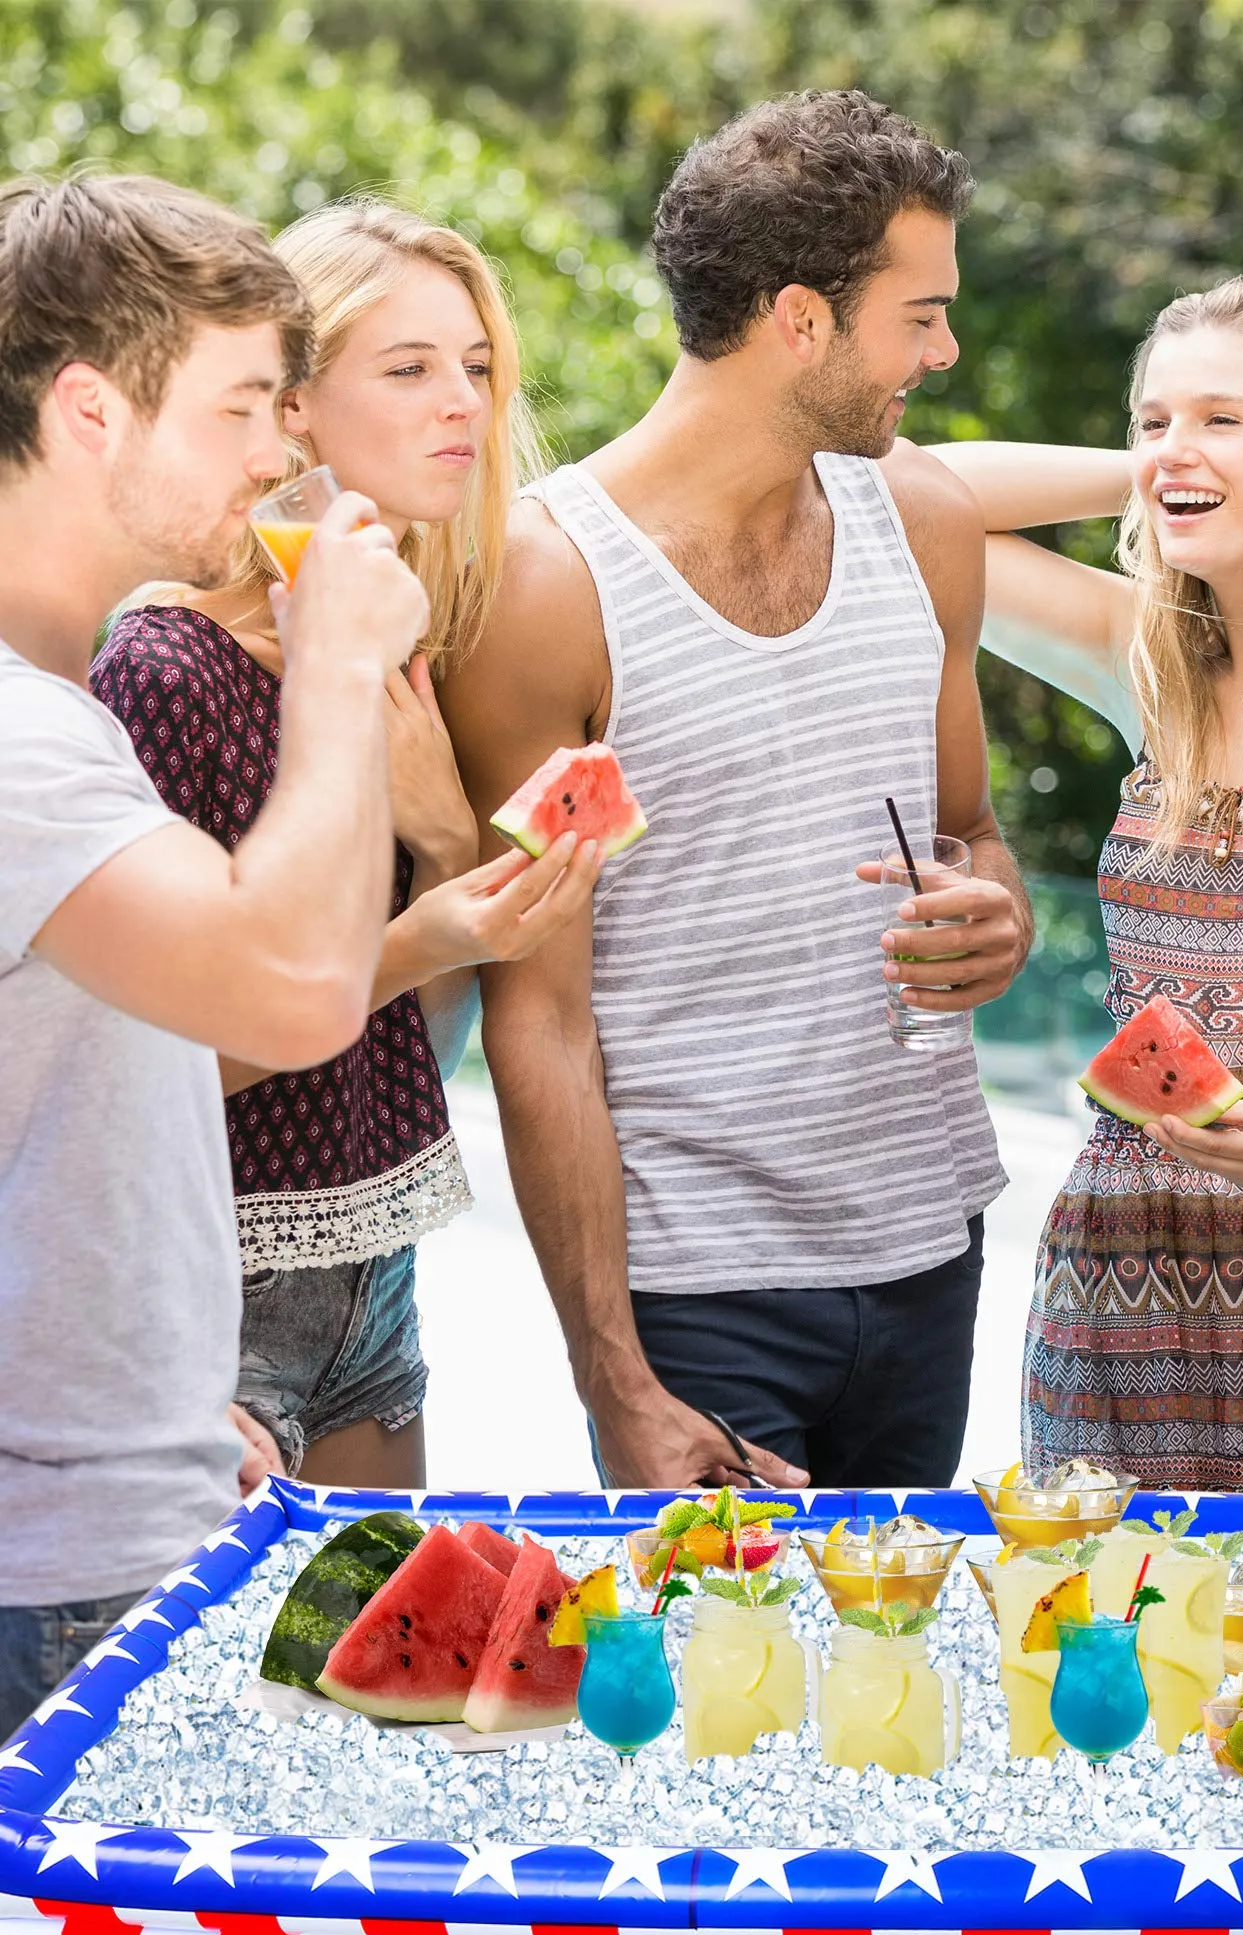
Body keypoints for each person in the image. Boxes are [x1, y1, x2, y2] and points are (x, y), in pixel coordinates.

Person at [441, 91, 1031, 1492]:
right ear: (800, 319)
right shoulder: (550, 590)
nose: (945, 351)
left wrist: (1000, 914)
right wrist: (613, 1378)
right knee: (725, 1703)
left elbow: (978, 837)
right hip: (698, 1295)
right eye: (921, 314)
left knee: (898, 1689)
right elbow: (542, 1018)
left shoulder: (930, 529)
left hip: (929, 1251)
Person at [0, 172, 431, 1737]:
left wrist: (168, 1409)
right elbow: (296, 989)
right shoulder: (21, 739)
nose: (284, 446)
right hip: (54, 1571)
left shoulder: (57, 715)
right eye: (245, 402)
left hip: (119, 1494)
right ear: (91, 409)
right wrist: (334, 658)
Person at [90, 200, 599, 1488]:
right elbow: (144, 1079)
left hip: (374, 1280)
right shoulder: (165, 670)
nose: (465, 406)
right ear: (296, 410)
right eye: (412, 367)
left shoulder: (402, 659)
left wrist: (438, 850)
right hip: (218, 1292)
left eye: (478, 367)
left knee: (380, 1692)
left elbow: (407, 1051)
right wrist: (414, 929)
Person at [930, 278, 1243, 1494]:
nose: (1174, 445)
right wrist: (1168, 471)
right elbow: (917, 498)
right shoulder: (1146, 665)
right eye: (1151, 418)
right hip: (1122, 1274)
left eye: (1222, 416)